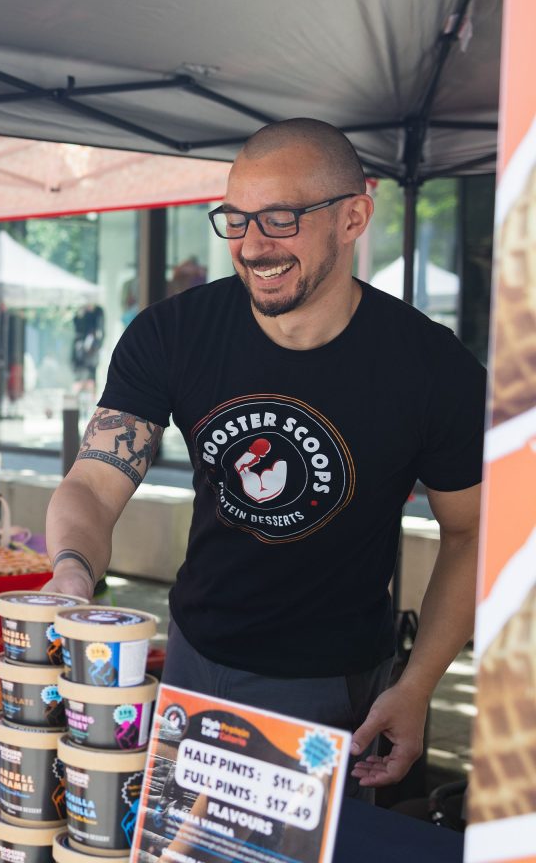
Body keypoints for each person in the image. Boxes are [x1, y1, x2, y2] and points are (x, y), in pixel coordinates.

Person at [44, 118, 483, 792]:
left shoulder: (431, 367)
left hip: (333, 686)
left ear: (353, 218)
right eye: (236, 219)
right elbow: (96, 483)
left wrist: (418, 685)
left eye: (281, 219)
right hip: (193, 653)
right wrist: (73, 570)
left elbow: (471, 532)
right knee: (179, 837)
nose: (252, 246)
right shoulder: (172, 334)